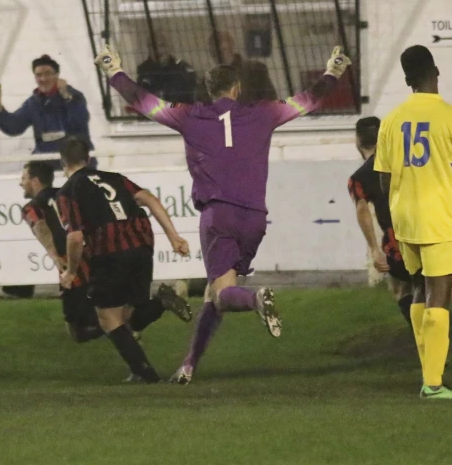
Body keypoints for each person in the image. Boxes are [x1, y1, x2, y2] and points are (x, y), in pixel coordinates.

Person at [96, 43, 352, 384]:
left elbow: (143, 101)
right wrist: (333, 70)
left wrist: (114, 69)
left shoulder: (188, 115)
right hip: (255, 218)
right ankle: (189, 364)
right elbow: (308, 100)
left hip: (219, 217)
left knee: (223, 293)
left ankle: (255, 300)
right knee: (213, 298)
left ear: (209, 89)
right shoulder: (266, 112)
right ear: (237, 89)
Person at [375, 45, 452, 399]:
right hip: (438, 217)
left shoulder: (392, 120)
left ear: (407, 78)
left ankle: (429, 370)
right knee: (439, 296)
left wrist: (397, 209)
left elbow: (382, 179)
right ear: (436, 71)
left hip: (405, 218)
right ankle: (433, 383)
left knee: (417, 288)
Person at [349, 117, 452, 369]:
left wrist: (374, 249)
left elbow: (362, 211)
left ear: (358, 142)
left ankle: (429, 353)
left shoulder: (359, 177)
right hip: (429, 232)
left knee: (403, 290)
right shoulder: (405, 162)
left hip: (398, 244)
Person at [57, 139, 191, 383]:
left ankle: (146, 374)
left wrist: (71, 271)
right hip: (141, 243)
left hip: (110, 250)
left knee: (109, 318)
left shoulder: (68, 191)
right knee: (129, 315)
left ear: (62, 162)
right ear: (88, 159)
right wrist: (173, 236)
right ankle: (162, 302)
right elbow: (149, 198)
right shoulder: (114, 177)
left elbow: (75, 237)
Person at [20, 160, 192, 349]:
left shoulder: (36, 205)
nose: (21, 183)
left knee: (82, 331)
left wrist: (57, 259)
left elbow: (43, 229)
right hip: (102, 255)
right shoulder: (70, 191)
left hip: (76, 263)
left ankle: (131, 340)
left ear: (35, 181)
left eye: (23, 178)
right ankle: (156, 308)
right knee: (128, 313)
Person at [0, 55, 94, 168]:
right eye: (39, 75)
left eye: (48, 73)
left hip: (75, 162)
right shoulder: (33, 103)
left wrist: (66, 96)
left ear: (57, 75)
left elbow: (79, 121)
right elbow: (14, 127)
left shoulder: (74, 97)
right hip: (46, 165)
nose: (43, 79)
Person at [137, 33, 197, 104]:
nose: (158, 50)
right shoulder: (143, 71)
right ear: (148, 49)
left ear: (169, 47)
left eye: (162, 45)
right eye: (153, 46)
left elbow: (193, 98)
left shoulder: (183, 69)